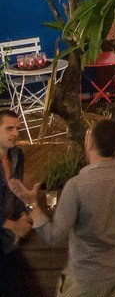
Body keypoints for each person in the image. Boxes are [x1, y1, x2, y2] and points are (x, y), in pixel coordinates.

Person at [9, 120, 115, 297]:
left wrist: (32, 204)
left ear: (90, 143)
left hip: (87, 278)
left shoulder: (77, 185)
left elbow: (53, 235)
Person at [0, 110, 31, 296]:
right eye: (9, 128)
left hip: (7, 237)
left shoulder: (17, 156)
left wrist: (23, 215)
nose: (15, 133)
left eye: (17, 128)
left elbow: (18, 190)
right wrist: (13, 225)